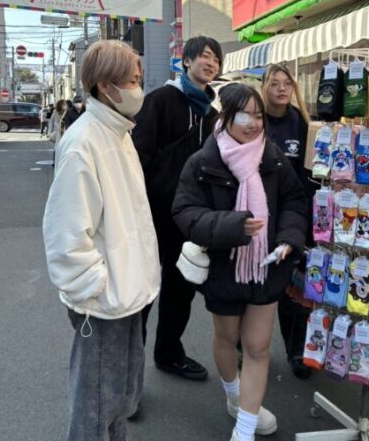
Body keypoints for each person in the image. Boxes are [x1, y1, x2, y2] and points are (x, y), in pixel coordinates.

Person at [172, 84, 307, 441]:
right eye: (244, 115)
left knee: (258, 348)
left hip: (266, 266)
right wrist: (234, 226)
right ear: (226, 116)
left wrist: (288, 239)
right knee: (226, 338)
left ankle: (244, 431)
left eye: (258, 115)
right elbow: (185, 212)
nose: (253, 123)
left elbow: (294, 200)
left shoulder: (272, 156)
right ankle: (234, 397)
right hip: (224, 268)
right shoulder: (204, 162)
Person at [43, 40, 160, 441]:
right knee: (94, 410)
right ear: (104, 86)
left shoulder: (117, 132)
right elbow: (66, 235)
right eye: (132, 81)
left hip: (125, 293)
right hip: (104, 302)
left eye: (139, 80)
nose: (138, 89)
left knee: (120, 401)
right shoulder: (84, 142)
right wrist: (95, 288)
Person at [132, 35, 222, 381]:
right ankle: (130, 372)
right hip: (154, 213)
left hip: (191, 218)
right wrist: (137, 206)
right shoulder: (160, 100)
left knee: (181, 288)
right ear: (186, 61)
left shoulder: (213, 114)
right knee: (143, 290)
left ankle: (169, 353)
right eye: (205, 56)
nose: (210, 63)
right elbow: (138, 157)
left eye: (216, 59)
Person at [261, 63, 314, 379]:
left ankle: (298, 350)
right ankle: (247, 347)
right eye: (275, 83)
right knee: (258, 284)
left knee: (294, 287)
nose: (282, 88)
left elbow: (311, 174)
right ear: (264, 87)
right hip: (260, 216)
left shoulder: (302, 123)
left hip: (296, 216)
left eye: (287, 83)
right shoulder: (255, 121)